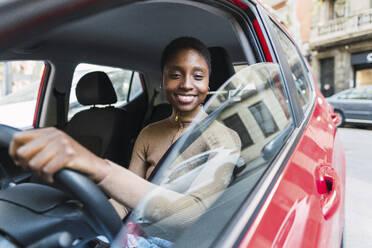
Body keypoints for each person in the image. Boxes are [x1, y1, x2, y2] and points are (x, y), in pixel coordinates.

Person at [9, 37, 241, 239]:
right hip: (137, 233)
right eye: (175, 75)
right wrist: (92, 227)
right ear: (163, 81)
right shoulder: (149, 133)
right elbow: (122, 201)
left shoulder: (224, 139)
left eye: (198, 76)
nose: (187, 84)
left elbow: (190, 215)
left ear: (209, 83)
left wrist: (98, 167)